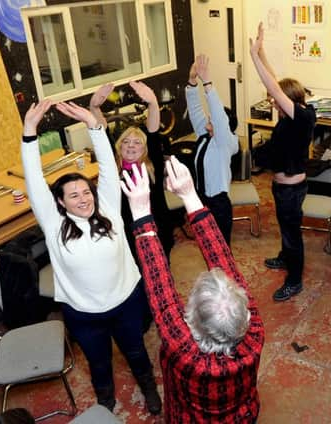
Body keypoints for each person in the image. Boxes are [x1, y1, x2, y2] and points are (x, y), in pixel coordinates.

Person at [21, 101, 161, 414]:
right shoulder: (54, 224)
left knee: (137, 353)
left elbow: (110, 170)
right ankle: (106, 403)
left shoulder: (109, 207)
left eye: (86, 192)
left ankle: (149, 388)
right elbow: (33, 181)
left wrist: (94, 126)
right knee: (99, 364)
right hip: (84, 315)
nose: (83, 199)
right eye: (73, 195)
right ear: (60, 202)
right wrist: (29, 133)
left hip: (126, 303)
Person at [120, 156, 264, 423]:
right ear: (244, 313)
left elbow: (159, 287)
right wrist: (189, 195)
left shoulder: (184, 350)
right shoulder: (254, 333)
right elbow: (224, 261)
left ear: (191, 323)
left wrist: (140, 212)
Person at [250, 22, 316, 302]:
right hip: (282, 188)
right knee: (286, 230)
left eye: (277, 102)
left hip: (291, 190)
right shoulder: (293, 114)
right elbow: (275, 85)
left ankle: (294, 280)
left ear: (288, 101)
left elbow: (275, 90)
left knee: (292, 235)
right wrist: (262, 51)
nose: (273, 105)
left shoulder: (301, 118)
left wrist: (253, 56)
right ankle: (283, 257)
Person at [89, 81, 175, 262]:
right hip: (129, 235)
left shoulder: (152, 166)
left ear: (145, 149)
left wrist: (152, 103)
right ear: (120, 147)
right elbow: (102, 133)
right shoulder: (115, 171)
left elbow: (152, 133)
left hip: (157, 231)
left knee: (161, 275)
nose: (131, 145)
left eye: (137, 142)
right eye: (126, 142)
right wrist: (94, 108)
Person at [185, 54, 239, 245]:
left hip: (218, 204)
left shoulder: (224, 143)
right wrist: (192, 81)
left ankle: (224, 276)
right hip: (200, 200)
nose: (209, 119)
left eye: (213, 119)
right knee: (206, 246)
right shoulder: (206, 135)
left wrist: (207, 82)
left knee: (221, 251)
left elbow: (217, 114)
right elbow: (195, 109)